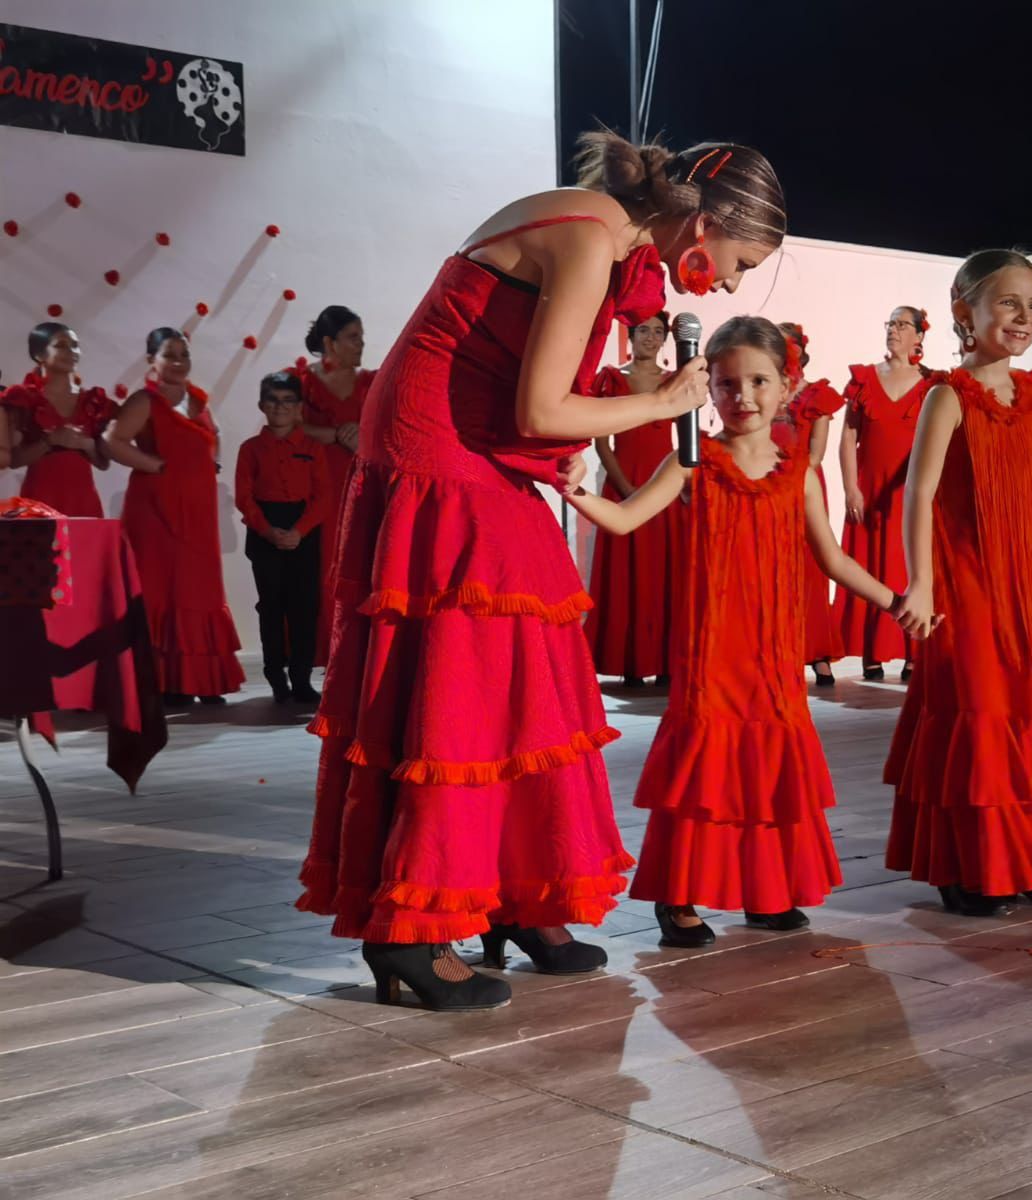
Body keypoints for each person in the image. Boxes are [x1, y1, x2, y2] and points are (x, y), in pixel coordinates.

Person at [294, 131, 785, 1010]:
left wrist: (608, 418)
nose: (735, 284)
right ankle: (405, 923)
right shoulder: (591, 237)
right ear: (704, 223)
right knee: (460, 677)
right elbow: (543, 404)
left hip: (481, 443)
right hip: (440, 445)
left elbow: (540, 392)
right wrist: (666, 400)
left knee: (531, 670)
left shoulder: (614, 240)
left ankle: (515, 896)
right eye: (740, 261)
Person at [566, 316, 920, 946]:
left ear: (786, 387)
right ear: (708, 388)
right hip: (711, 650)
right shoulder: (693, 461)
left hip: (773, 651)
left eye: (759, 381)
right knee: (705, 766)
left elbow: (833, 560)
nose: (744, 397)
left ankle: (766, 888)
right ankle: (678, 894)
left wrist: (898, 602)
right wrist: (573, 491)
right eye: (727, 384)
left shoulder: (797, 473)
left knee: (768, 764)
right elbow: (622, 519)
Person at [888, 251, 1032, 916]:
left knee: (1030, 718)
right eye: (1011, 303)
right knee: (980, 721)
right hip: (964, 592)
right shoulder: (947, 397)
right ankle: (969, 866)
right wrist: (922, 584)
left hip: (1027, 594)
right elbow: (919, 495)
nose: (1025, 317)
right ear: (967, 312)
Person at [107, 327, 245, 706]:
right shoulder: (144, 401)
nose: (179, 362)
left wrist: (208, 462)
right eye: (170, 355)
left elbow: (210, 436)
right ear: (152, 360)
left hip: (197, 509)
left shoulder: (199, 400)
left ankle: (200, 678)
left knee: (198, 588)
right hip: (155, 510)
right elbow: (111, 440)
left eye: (184, 354)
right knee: (162, 589)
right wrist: (152, 463)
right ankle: (166, 680)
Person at [834, 306, 933, 681]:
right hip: (870, 490)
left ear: (919, 336)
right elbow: (848, 437)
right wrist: (850, 488)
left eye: (902, 324)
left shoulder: (931, 383)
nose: (893, 330)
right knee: (870, 567)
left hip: (910, 492)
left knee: (909, 566)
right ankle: (871, 652)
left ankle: (913, 651)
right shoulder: (864, 379)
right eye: (890, 323)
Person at [584, 312, 678, 687]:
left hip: (666, 486)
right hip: (624, 483)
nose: (651, 338)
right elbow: (601, 441)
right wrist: (626, 489)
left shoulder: (673, 382)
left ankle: (666, 662)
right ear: (631, 335)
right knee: (626, 575)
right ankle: (630, 662)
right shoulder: (612, 380)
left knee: (664, 574)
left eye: (658, 332)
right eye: (644, 331)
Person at [235, 371, 331, 704]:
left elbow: (323, 497)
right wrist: (267, 530)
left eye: (287, 401)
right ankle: (275, 676)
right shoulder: (250, 449)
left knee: (305, 608)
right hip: (265, 529)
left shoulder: (313, 449)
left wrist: (299, 532)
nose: (280, 408)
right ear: (262, 405)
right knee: (271, 608)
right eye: (273, 401)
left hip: (303, 529)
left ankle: (302, 678)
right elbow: (244, 497)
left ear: (298, 407)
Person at [294, 305, 374, 666]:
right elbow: (285, 425)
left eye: (361, 336)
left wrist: (361, 435)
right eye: (352, 337)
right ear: (329, 342)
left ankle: (361, 648)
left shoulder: (370, 381)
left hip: (362, 483)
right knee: (323, 565)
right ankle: (326, 648)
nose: (361, 344)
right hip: (317, 485)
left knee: (362, 559)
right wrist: (336, 434)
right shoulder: (301, 382)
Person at [775, 323, 846, 685]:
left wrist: (790, 479)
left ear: (802, 352)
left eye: (791, 348)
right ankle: (778, 650)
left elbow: (816, 455)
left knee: (811, 568)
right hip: (767, 486)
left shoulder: (817, 394)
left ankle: (818, 653)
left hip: (803, 487)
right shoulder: (764, 390)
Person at [0, 323, 115, 516]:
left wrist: (88, 446)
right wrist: (50, 441)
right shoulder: (25, 398)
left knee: (85, 545)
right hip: (39, 501)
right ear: (39, 355)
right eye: (61, 345)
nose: (71, 351)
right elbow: (14, 460)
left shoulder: (92, 400)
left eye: (75, 345)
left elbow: (103, 464)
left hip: (83, 501)